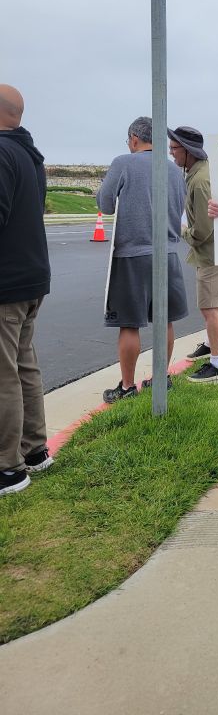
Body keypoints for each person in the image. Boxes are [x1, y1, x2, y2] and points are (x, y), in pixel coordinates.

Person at [97, 116, 189, 403]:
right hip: (169, 253)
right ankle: (160, 377)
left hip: (132, 255)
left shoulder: (123, 163)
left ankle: (127, 386)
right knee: (166, 320)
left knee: (129, 323)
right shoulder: (175, 172)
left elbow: (105, 204)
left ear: (134, 139)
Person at [0, 85, 54, 496]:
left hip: (8, 282)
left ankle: (8, 468)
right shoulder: (28, 153)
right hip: (32, 278)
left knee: (5, 375)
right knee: (24, 365)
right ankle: (35, 451)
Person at [168, 125, 218, 381]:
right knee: (211, 305)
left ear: (188, 151)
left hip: (212, 253)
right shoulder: (199, 173)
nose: (172, 154)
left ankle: (217, 364)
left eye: (174, 149)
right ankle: (209, 345)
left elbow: (203, 229)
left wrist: (184, 232)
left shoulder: (199, 180)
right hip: (215, 250)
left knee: (209, 308)